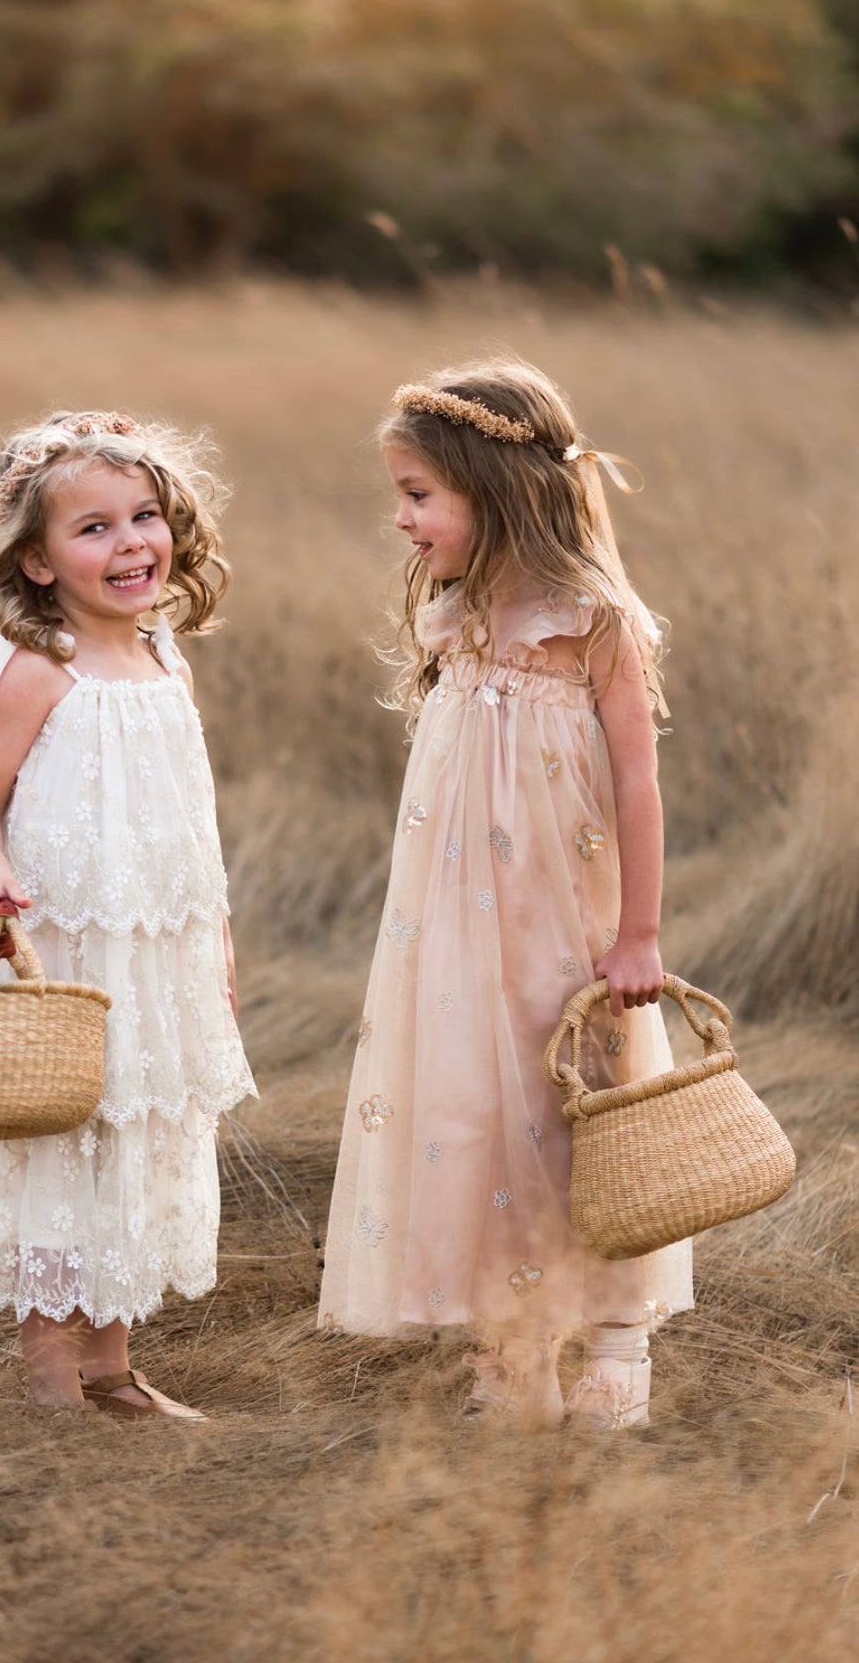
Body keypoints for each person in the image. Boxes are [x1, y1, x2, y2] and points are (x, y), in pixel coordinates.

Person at [317, 362, 692, 1430]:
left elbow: (634, 784)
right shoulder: (459, 611)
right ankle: (509, 1347)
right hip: (455, 929)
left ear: (496, 487)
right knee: (476, 1114)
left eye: (419, 494)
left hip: (563, 922)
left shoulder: (594, 618)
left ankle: (620, 1337)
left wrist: (640, 934)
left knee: (582, 1114)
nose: (401, 518)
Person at [0, 410, 256, 1416]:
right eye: (92, 527)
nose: (130, 543)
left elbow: (189, 821)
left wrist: (211, 937)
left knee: (135, 1141)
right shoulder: (36, 666)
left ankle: (115, 1367)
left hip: (150, 950)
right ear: (40, 561)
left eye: (143, 516)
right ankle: (55, 1378)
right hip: (56, 939)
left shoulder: (164, 661)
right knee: (57, 1138)